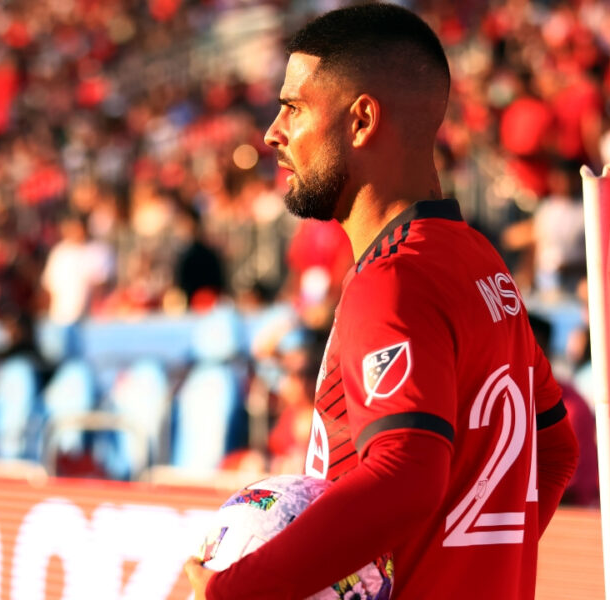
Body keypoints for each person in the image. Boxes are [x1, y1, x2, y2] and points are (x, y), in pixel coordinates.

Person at [185, 4, 579, 599]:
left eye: (292, 107)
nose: (272, 131)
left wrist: (229, 592)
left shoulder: (391, 281)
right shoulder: (479, 261)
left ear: (361, 120)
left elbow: (405, 478)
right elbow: (554, 448)